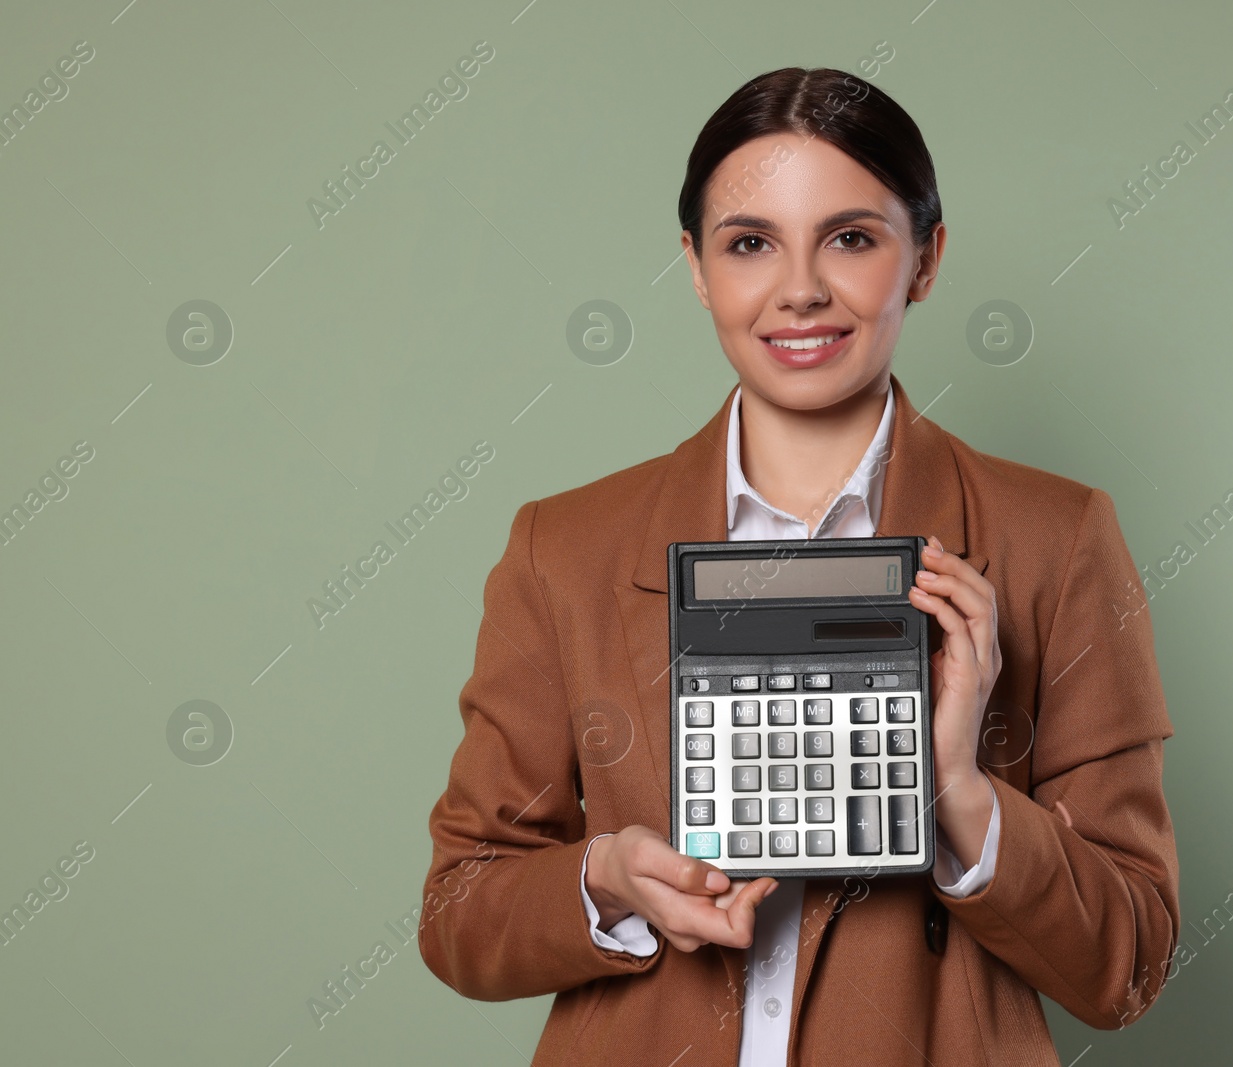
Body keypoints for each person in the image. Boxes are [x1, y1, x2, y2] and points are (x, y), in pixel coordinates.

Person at [420, 66, 1179, 1066]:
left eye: (851, 238)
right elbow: (459, 911)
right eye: (749, 244)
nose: (800, 288)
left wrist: (959, 788)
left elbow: (1126, 962)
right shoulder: (562, 549)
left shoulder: (1058, 536)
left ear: (924, 257)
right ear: (695, 266)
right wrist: (605, 876)